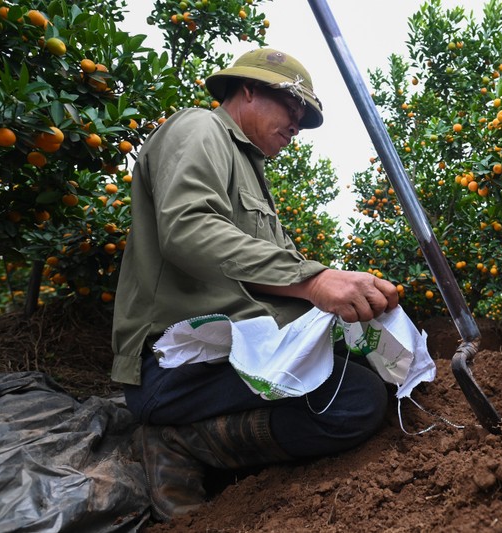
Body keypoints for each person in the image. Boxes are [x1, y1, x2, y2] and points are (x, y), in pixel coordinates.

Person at [111, 48, 399, 522]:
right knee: (353, 400)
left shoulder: (251, 170)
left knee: (364, 365)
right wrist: (315, 280)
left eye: (304, 119)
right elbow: (188, 229)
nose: (297, 125)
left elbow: (274, 273)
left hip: (236, 352)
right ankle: (178, 441)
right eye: (293, 107)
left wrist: (344, 294)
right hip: (174, 366)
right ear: (248, 89)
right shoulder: (198, 129)